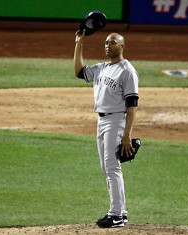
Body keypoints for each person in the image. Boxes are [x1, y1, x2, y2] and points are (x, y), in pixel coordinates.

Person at [73, 30, 139, 228]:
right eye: (106, 42)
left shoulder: (127, 70)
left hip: (116, 121)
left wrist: (127, 134)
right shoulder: (101, 68)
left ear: (122, 46)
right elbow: (79, 71)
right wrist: (79, 43)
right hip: (101, 121)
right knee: (106, 168)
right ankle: (119, 212)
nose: (108, 45)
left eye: (112, 42)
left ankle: (117, 214)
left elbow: (132, 106)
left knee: (112, 167)